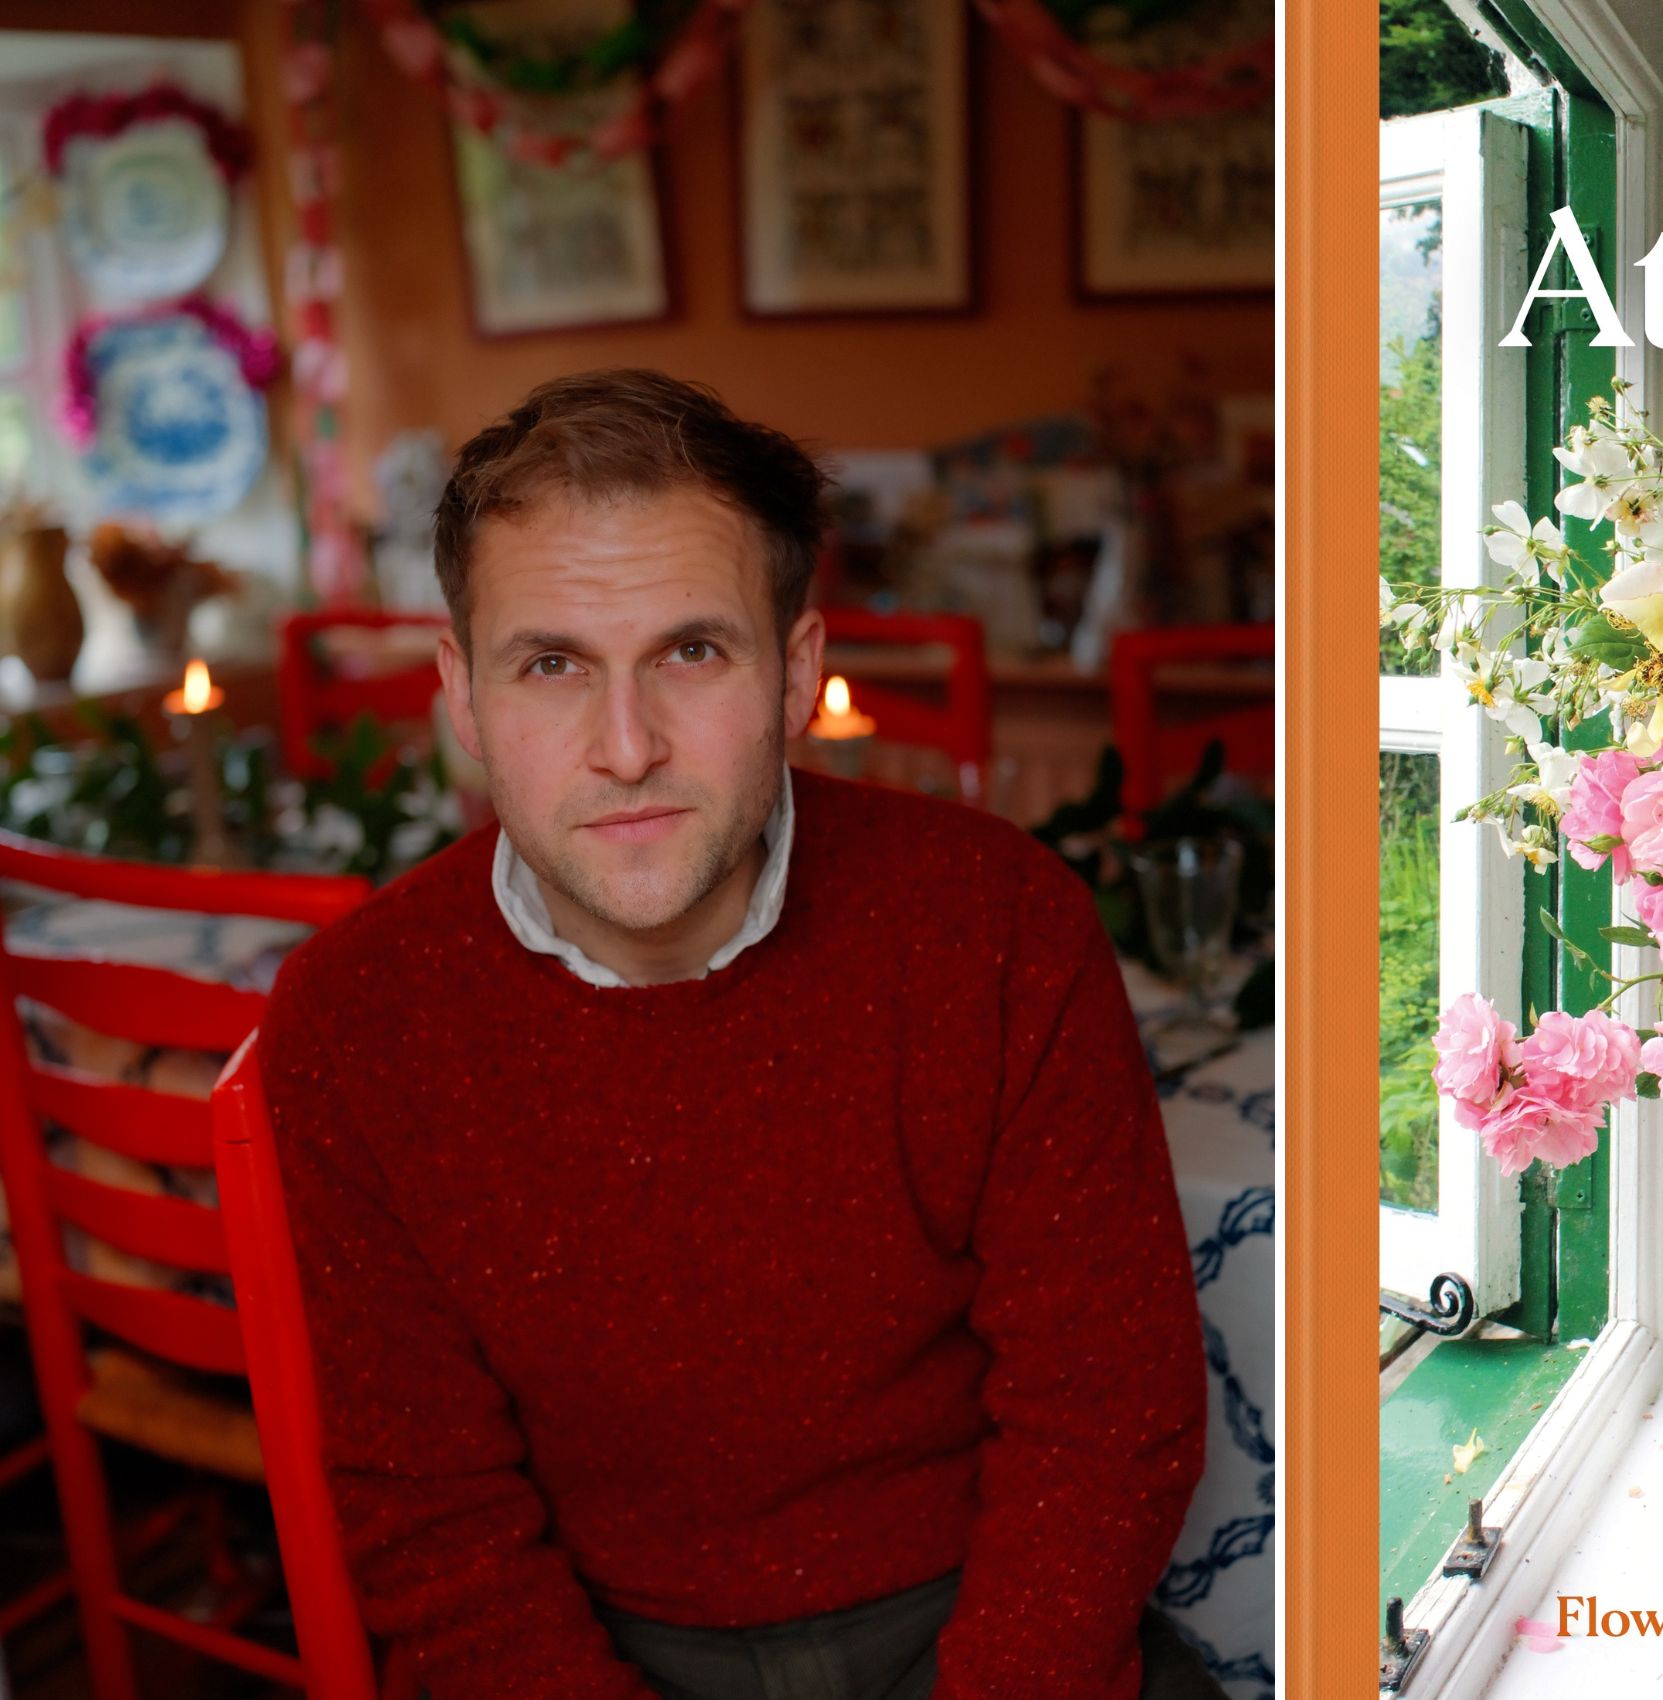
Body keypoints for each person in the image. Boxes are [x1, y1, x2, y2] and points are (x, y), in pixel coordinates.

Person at [260, 370, 1216, 1700]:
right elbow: (431, 1518)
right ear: (465, 699)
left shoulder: (1000, 925)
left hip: (990, 1618)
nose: (627, 745)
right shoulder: (354, 1019)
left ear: (798, 676)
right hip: (594, 1649)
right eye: (551, 666)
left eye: (690, 653)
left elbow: (1107, 1415)